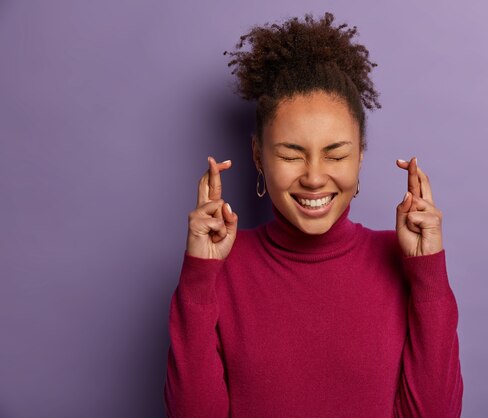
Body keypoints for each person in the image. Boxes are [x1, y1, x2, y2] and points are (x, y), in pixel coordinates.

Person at [164, 12, 463, 418]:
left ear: (360, 156)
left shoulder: (400, 261)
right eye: (291, 154)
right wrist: (199, 276)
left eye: (336, 154)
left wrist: (428, 273)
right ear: (258, 156)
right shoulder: (223, 267)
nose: (315, 177)